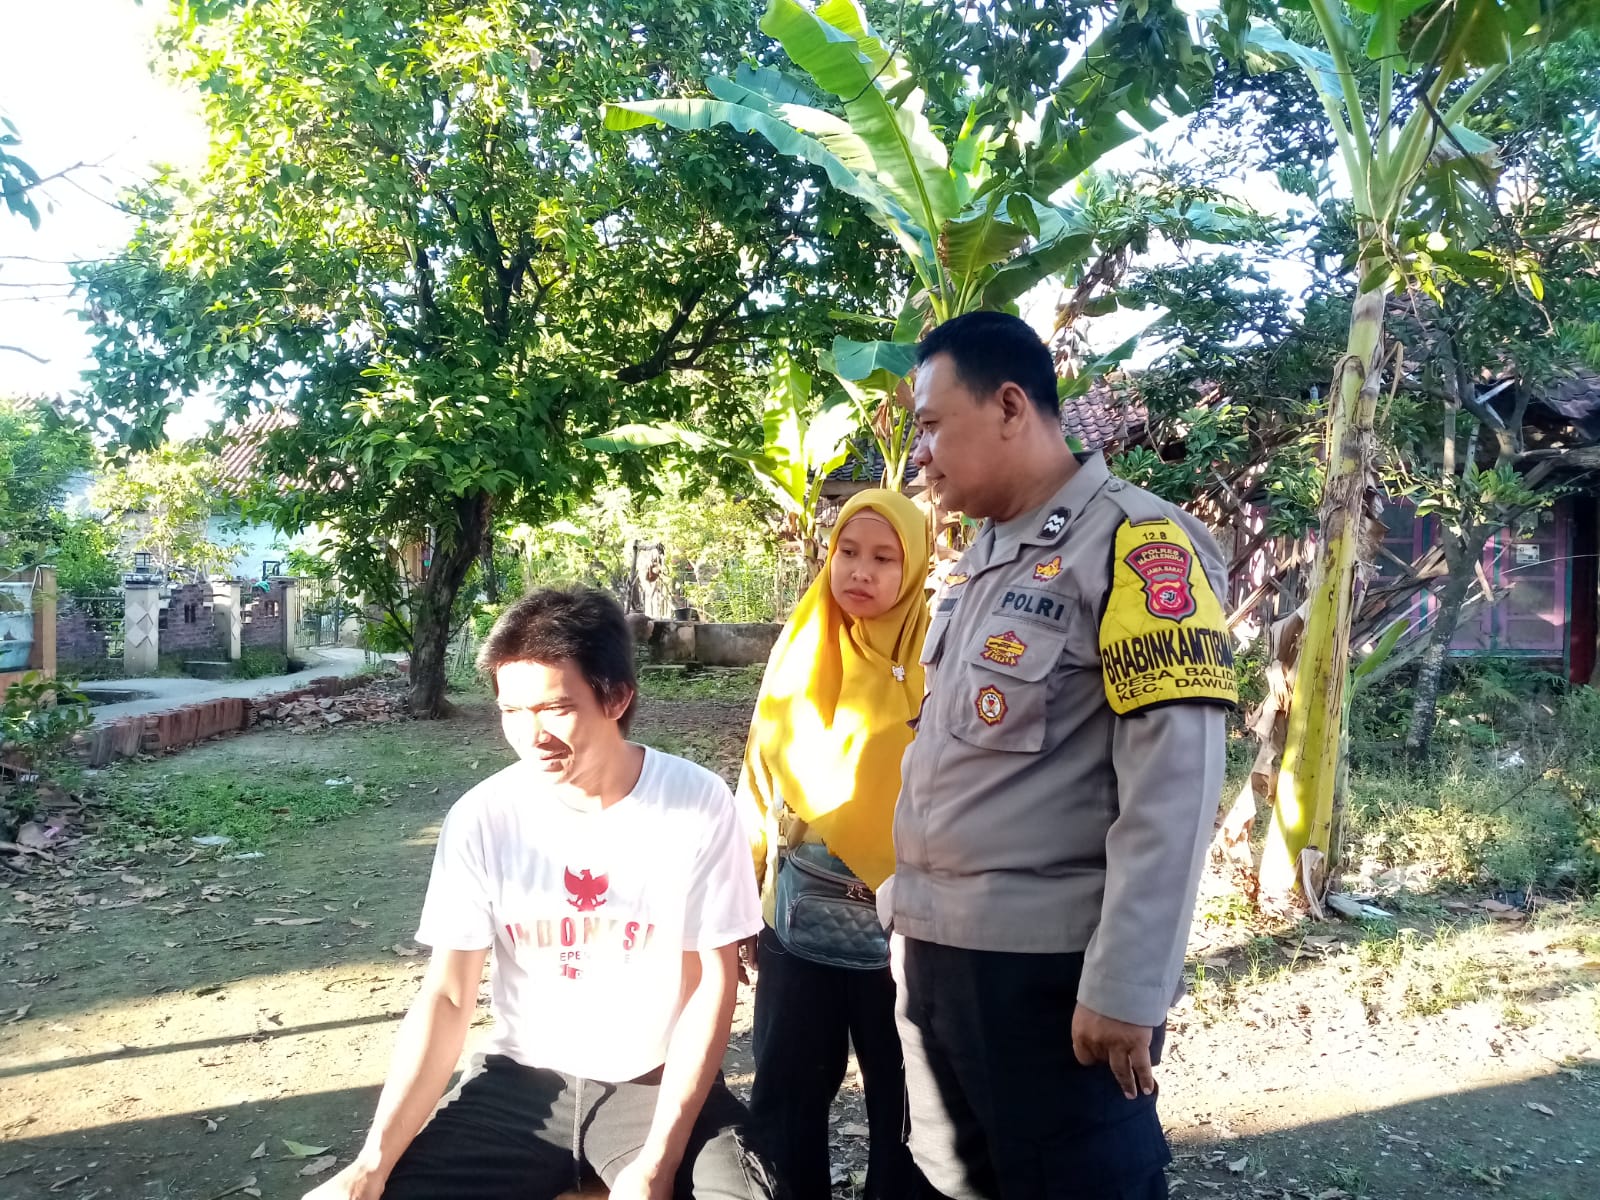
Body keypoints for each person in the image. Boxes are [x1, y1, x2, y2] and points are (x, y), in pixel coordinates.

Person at [883, 312, 1238, 1200]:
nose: (921, 454)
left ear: (1010, 406)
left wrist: (1128, 984)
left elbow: (1175, 785)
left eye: (932, 425)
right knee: (950, 1182)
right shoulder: (984, 557)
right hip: (937, 953)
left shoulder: (1136, 546)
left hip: (1047, 974)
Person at [305, 587, 772, 1200]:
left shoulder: (696, 803)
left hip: (653, 1083)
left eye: (555, 708)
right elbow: (448, 996)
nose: (532, 735)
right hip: (519, 1085)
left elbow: (713, 984)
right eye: (512, 711)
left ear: (616, 697)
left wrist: (657, 1165)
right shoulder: (483, 817)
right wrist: (371, 1163)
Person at [738, 489, 940, 1200]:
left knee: (908, 1108)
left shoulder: (938, 656)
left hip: (909, 924)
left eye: (884, 558)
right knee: (786, 1099)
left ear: (914, 567)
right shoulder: (801, 647)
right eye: (848, 552)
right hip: (800, 918)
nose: (861, 571)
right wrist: (743, 897)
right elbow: (759, 775)